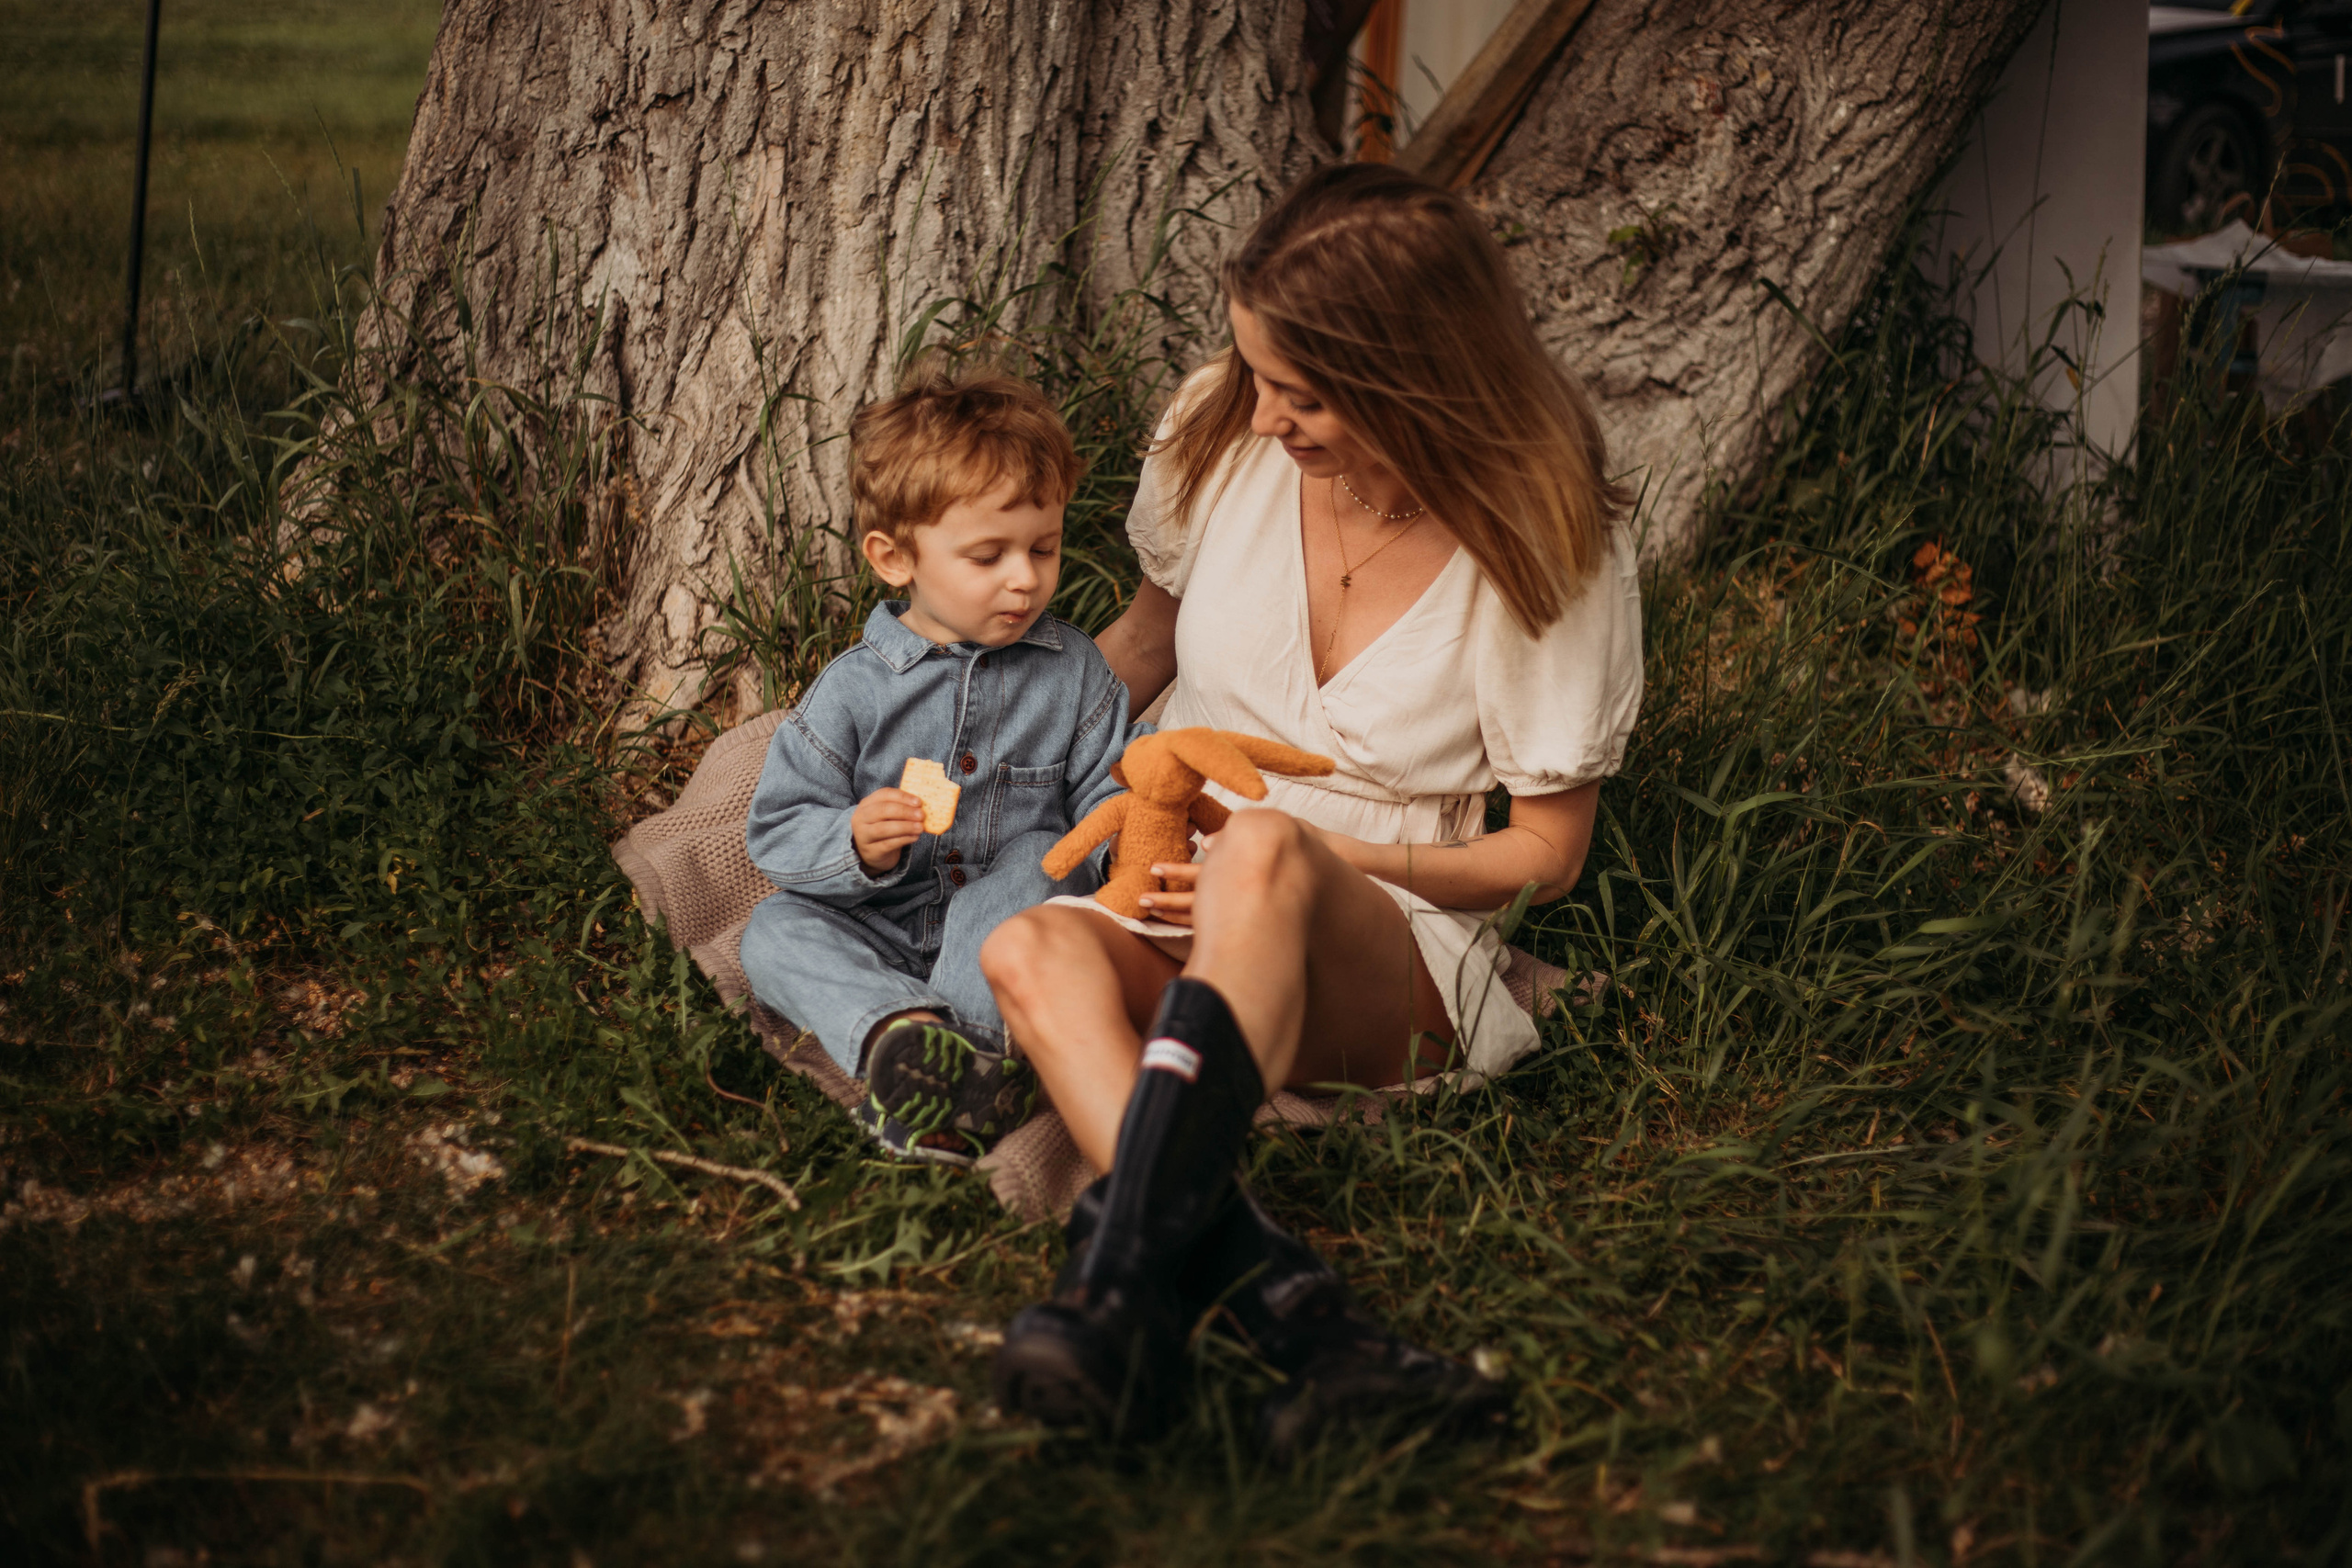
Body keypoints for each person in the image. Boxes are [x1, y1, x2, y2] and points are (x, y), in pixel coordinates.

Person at [978, 164, 1645, 1449]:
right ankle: (1313, 1330)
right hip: (1174, 878)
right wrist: (1000, 765)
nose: (1266, 411)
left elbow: (1547, 857)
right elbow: (1142, 642)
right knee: (1026, 942)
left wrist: (1311, 848)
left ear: (1419, 382)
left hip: (1384, 928)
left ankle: (1121, 1288)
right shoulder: (1223, 424)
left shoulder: (1542, 530)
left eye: (1308, 391)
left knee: (1271, 850)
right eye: (1256, 370)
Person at [740, 369, 1139, 1165]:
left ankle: (966, 1059)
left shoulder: (1077, 673)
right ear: (895, 559)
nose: (1024, 577)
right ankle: (907, 1034)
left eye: (1043, 547)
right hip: (878, 925)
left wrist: (1112, 852)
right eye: (988, 555)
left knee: (1039, 852)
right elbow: (778, 830)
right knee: (771, 930)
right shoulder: (854, 689)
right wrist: (854, 839)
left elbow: (1109, 799)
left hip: (1005, 936)